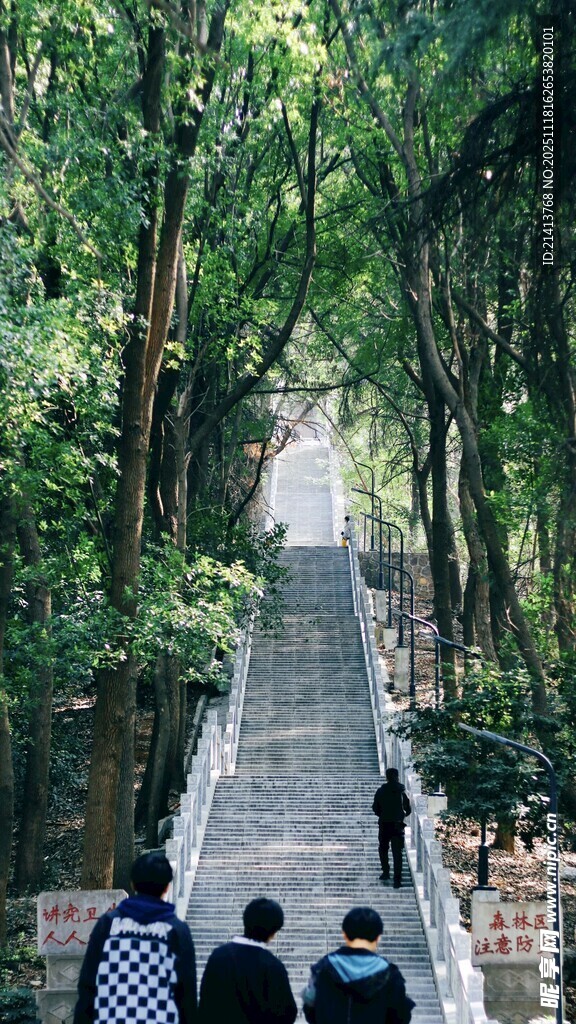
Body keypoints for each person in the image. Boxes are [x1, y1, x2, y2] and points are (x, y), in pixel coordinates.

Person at [74, 851, 197, 1024]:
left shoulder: (109, 924)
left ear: (133, 884)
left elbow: (88, 984)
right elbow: (186, 994)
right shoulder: (176, 930)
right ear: (167, 887)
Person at [302, 906, 415, 1024]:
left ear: (344, 934)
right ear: (378, 937)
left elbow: (310, 1009)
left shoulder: (324, 968)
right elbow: (401, 1016)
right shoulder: (390, 974)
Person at [198, 897, 297, 1024]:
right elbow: (287, 1013)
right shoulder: (273, 966)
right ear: (273, 932)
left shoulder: (218, 956)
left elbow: (205, 1002)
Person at [372, 767, 411, 888]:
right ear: (397, 776)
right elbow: (408, 808)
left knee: (383, 849)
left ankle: (385, 872)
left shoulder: (381, 791)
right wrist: (401, 816)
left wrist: (383, 815)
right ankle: (397, 880)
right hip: (398, 825)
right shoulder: (402, 791)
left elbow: (375, 807)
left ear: (387, 777)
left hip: (384, 824)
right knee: (397, 852)